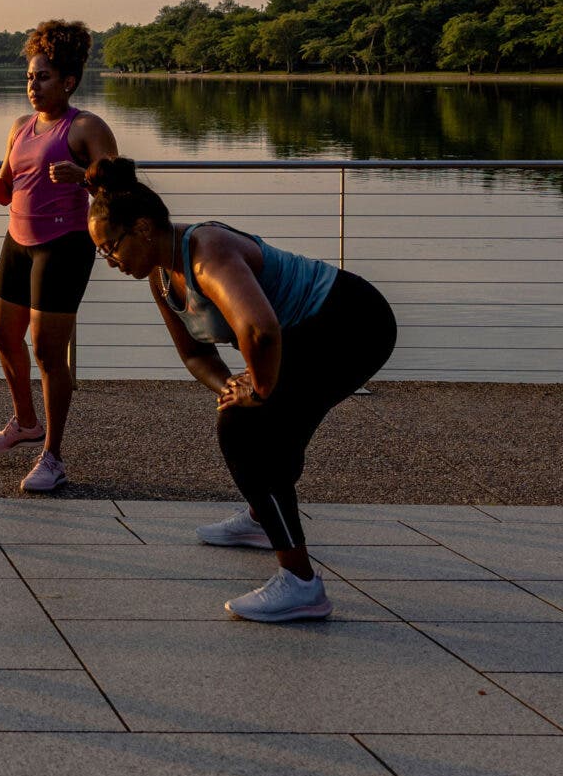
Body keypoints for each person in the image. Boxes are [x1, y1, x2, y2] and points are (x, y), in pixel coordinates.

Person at [85, 156, 397, 623]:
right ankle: (260, 518)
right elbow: (196, 357)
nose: (109, 261)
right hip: (304, 334)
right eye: (102, 253)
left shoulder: (205, 254)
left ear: (144, 227)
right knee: (262, 423)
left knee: (244, 430)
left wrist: (260, 389)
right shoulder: (161, 279)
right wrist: (234, 385)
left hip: (350, 322)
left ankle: (301, 584)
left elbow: (262, 330)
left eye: (111, 247)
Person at [0, 19, 118, 494]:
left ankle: (53, 456)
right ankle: (26, 423)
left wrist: (85, 178)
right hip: (17, 242)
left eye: (43, 77)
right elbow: (6, 192)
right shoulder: (20, 127)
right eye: (29, 76)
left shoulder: (86, 127)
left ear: (68, 81)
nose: (32, 85)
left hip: (64, 246)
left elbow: (119, 186)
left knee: (48, 352)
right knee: (2, 335)